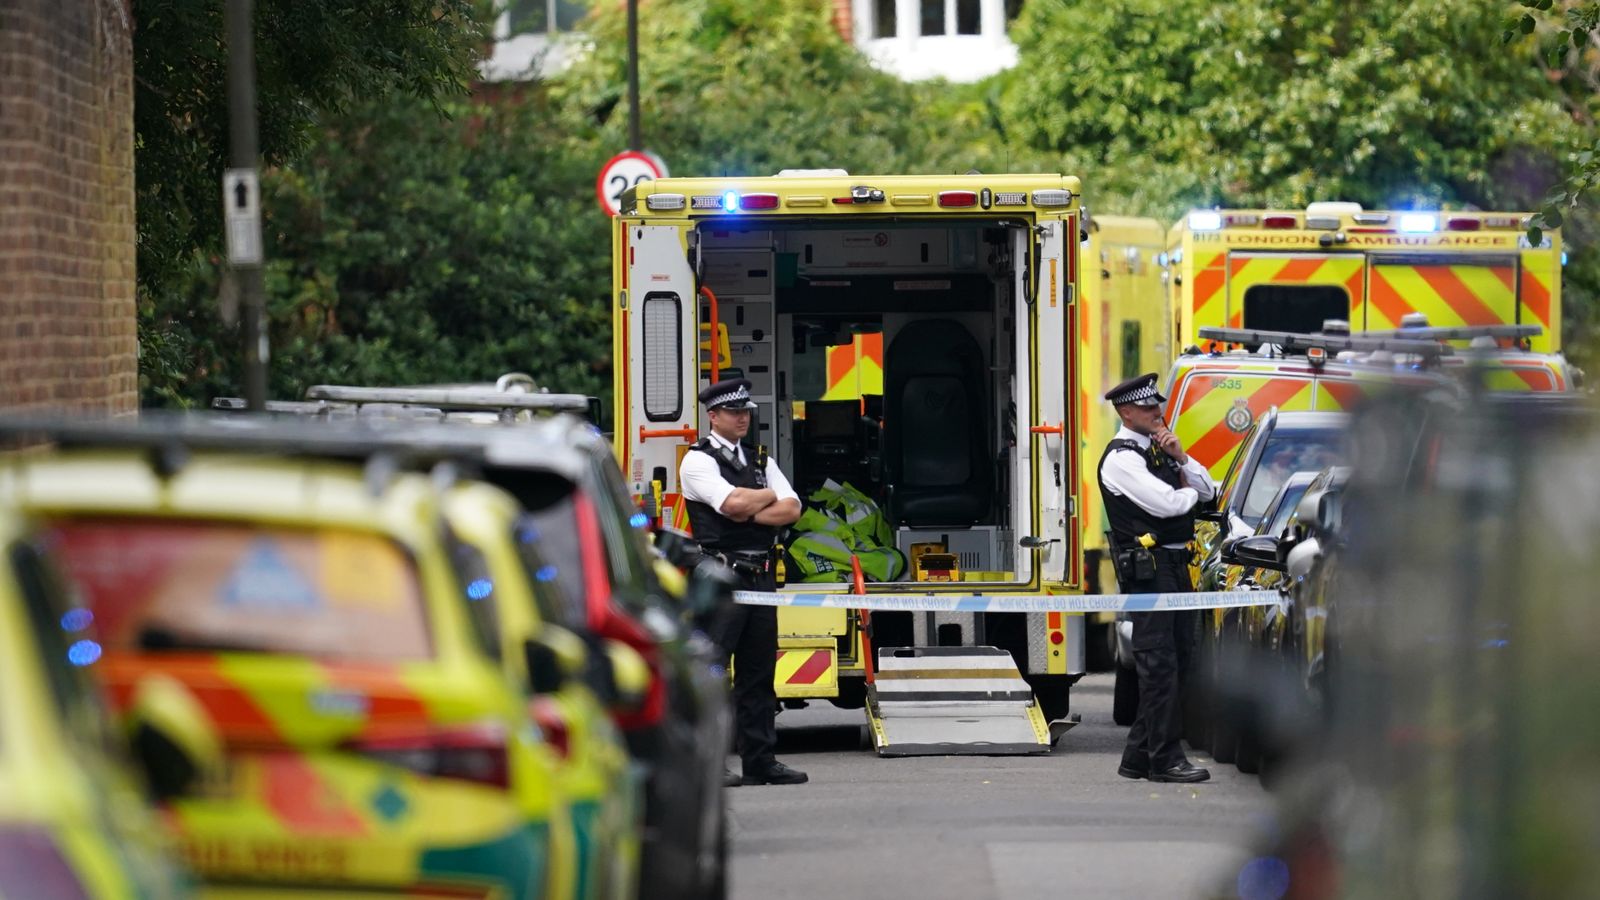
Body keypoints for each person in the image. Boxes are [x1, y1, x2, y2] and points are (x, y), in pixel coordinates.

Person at [679, 377, 808, 787]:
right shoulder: (697, 460)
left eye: (745, 412)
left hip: (761, 574)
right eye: (734, 412)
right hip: (719, 574)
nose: (742, 418)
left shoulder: (760, 460)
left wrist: (751, 507)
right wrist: (759, 498)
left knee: (758, 673)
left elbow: (792, 509)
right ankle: (710, 763)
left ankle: (760, 760)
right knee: (713, 674)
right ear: (713, 416)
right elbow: (729, 503)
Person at [1097, 372, 1217, 784]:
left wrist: (1182, 460)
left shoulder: (1160, 450)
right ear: (1126, 412)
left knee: (1180, 661)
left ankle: (1137, 757)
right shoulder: (1122, 458)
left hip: (1174, 566)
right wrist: (1185, 496)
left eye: (1158, 407)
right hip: (1149, 573)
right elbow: (1167, 505)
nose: (1158, 413)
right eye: (1149, 408)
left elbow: (1209, 491)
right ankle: (1165, 759)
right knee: (1159, 666)